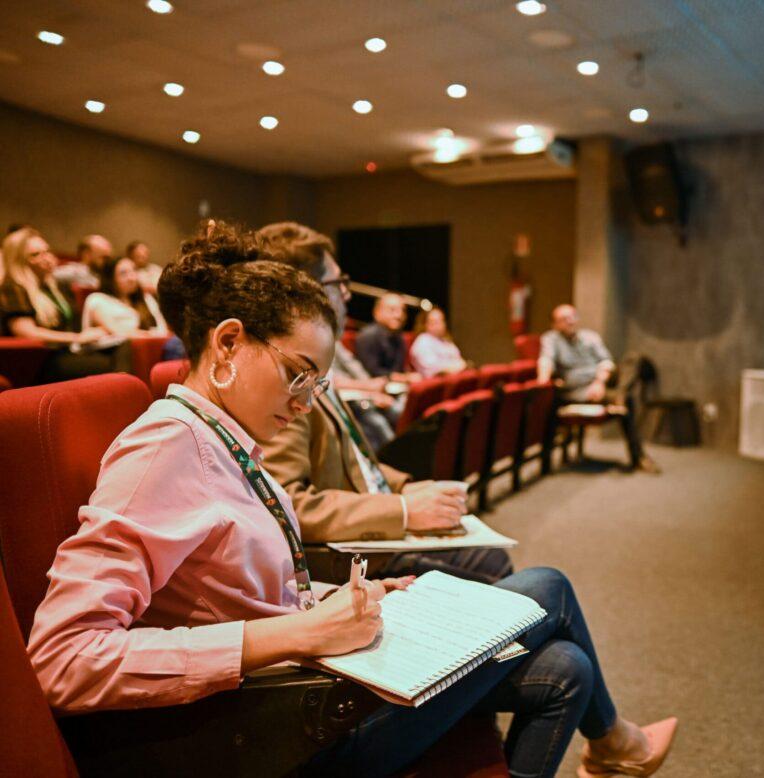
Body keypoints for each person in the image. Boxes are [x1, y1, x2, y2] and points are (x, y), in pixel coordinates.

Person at [26, 222, 676, 777]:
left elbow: (240, 588)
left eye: (318, 381)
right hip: (267, 731)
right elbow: (62, 661)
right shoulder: (164, 448)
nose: (307, 401)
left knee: (565, 669)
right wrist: (290, 633)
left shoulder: (228, 438)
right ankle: (617, 744)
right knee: (551, 589)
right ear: (227, 343)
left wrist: (331, 602)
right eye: (296, 374)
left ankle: (613, 744)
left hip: (304, 684)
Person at [256, 221, 509, 583]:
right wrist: (403, 510)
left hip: (374, 529)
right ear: (304, 291)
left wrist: (404, 487)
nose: (347, 295)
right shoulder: (286, 381)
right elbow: (286, 504)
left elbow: (355, 462)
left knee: (505, 569)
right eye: (338, 284)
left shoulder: (316, 366)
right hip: (351, 559)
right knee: (532, 583)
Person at [538, 304, 659, 474]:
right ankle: (638, 454)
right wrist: (542, 382)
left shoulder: (590, 337)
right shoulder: (551, 339)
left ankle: (620, 395)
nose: (570, 321)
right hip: (577, 390)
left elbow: (606, 362)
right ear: (555, 324)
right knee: (628, 402)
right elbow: (546, 361)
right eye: (564, 319)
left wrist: (599, 382)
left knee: (634, 359)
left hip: (602, 383)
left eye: (573, 316)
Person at [0, 227, 130, 380]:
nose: (46, 258)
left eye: (46, 251)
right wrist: (78, 337)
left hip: (66, 352)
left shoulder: (52, 287)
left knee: (124, 346)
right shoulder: (12, 288)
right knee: (112, 363)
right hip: (42, 362)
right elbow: (27, 332)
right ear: (18, 260)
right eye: (35, 255)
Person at [82, 255, 168, 336]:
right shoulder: (97, 299)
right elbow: (116, 330)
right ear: (110, 279)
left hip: (151, 346)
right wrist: (147, 335)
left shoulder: (145, 298)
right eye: (123, 273)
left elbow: (162, 330)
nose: (132, 278)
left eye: (134, 270)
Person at [355, 292, 420, 382]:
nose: (399, 315)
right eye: (392, 310)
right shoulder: (367, 336)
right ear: (377, 312)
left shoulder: (399, 336)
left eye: (403, 310)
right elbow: (372, 372)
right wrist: (403, 378)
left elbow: (398, 369)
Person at [410, 306, 467, 378]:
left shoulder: (446, 341)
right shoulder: (422, 342)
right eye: (435, 322)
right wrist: (454, 367)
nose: (440, 325)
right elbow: (434, 371)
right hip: (433, 385)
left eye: (441, 320)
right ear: (425, 324)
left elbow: (460, 361)